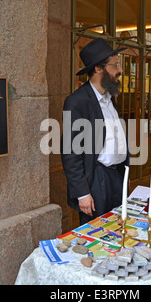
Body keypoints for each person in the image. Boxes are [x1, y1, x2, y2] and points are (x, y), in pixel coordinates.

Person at [61, 38, 129, 225]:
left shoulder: (109, 97)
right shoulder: (77, 102)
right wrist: (82, 193)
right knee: (97, 235)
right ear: (99, 68)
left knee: (118, 229)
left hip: (117, 177)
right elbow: (70, 152)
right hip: (97, 180)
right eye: (115, 65)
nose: (120, 70)